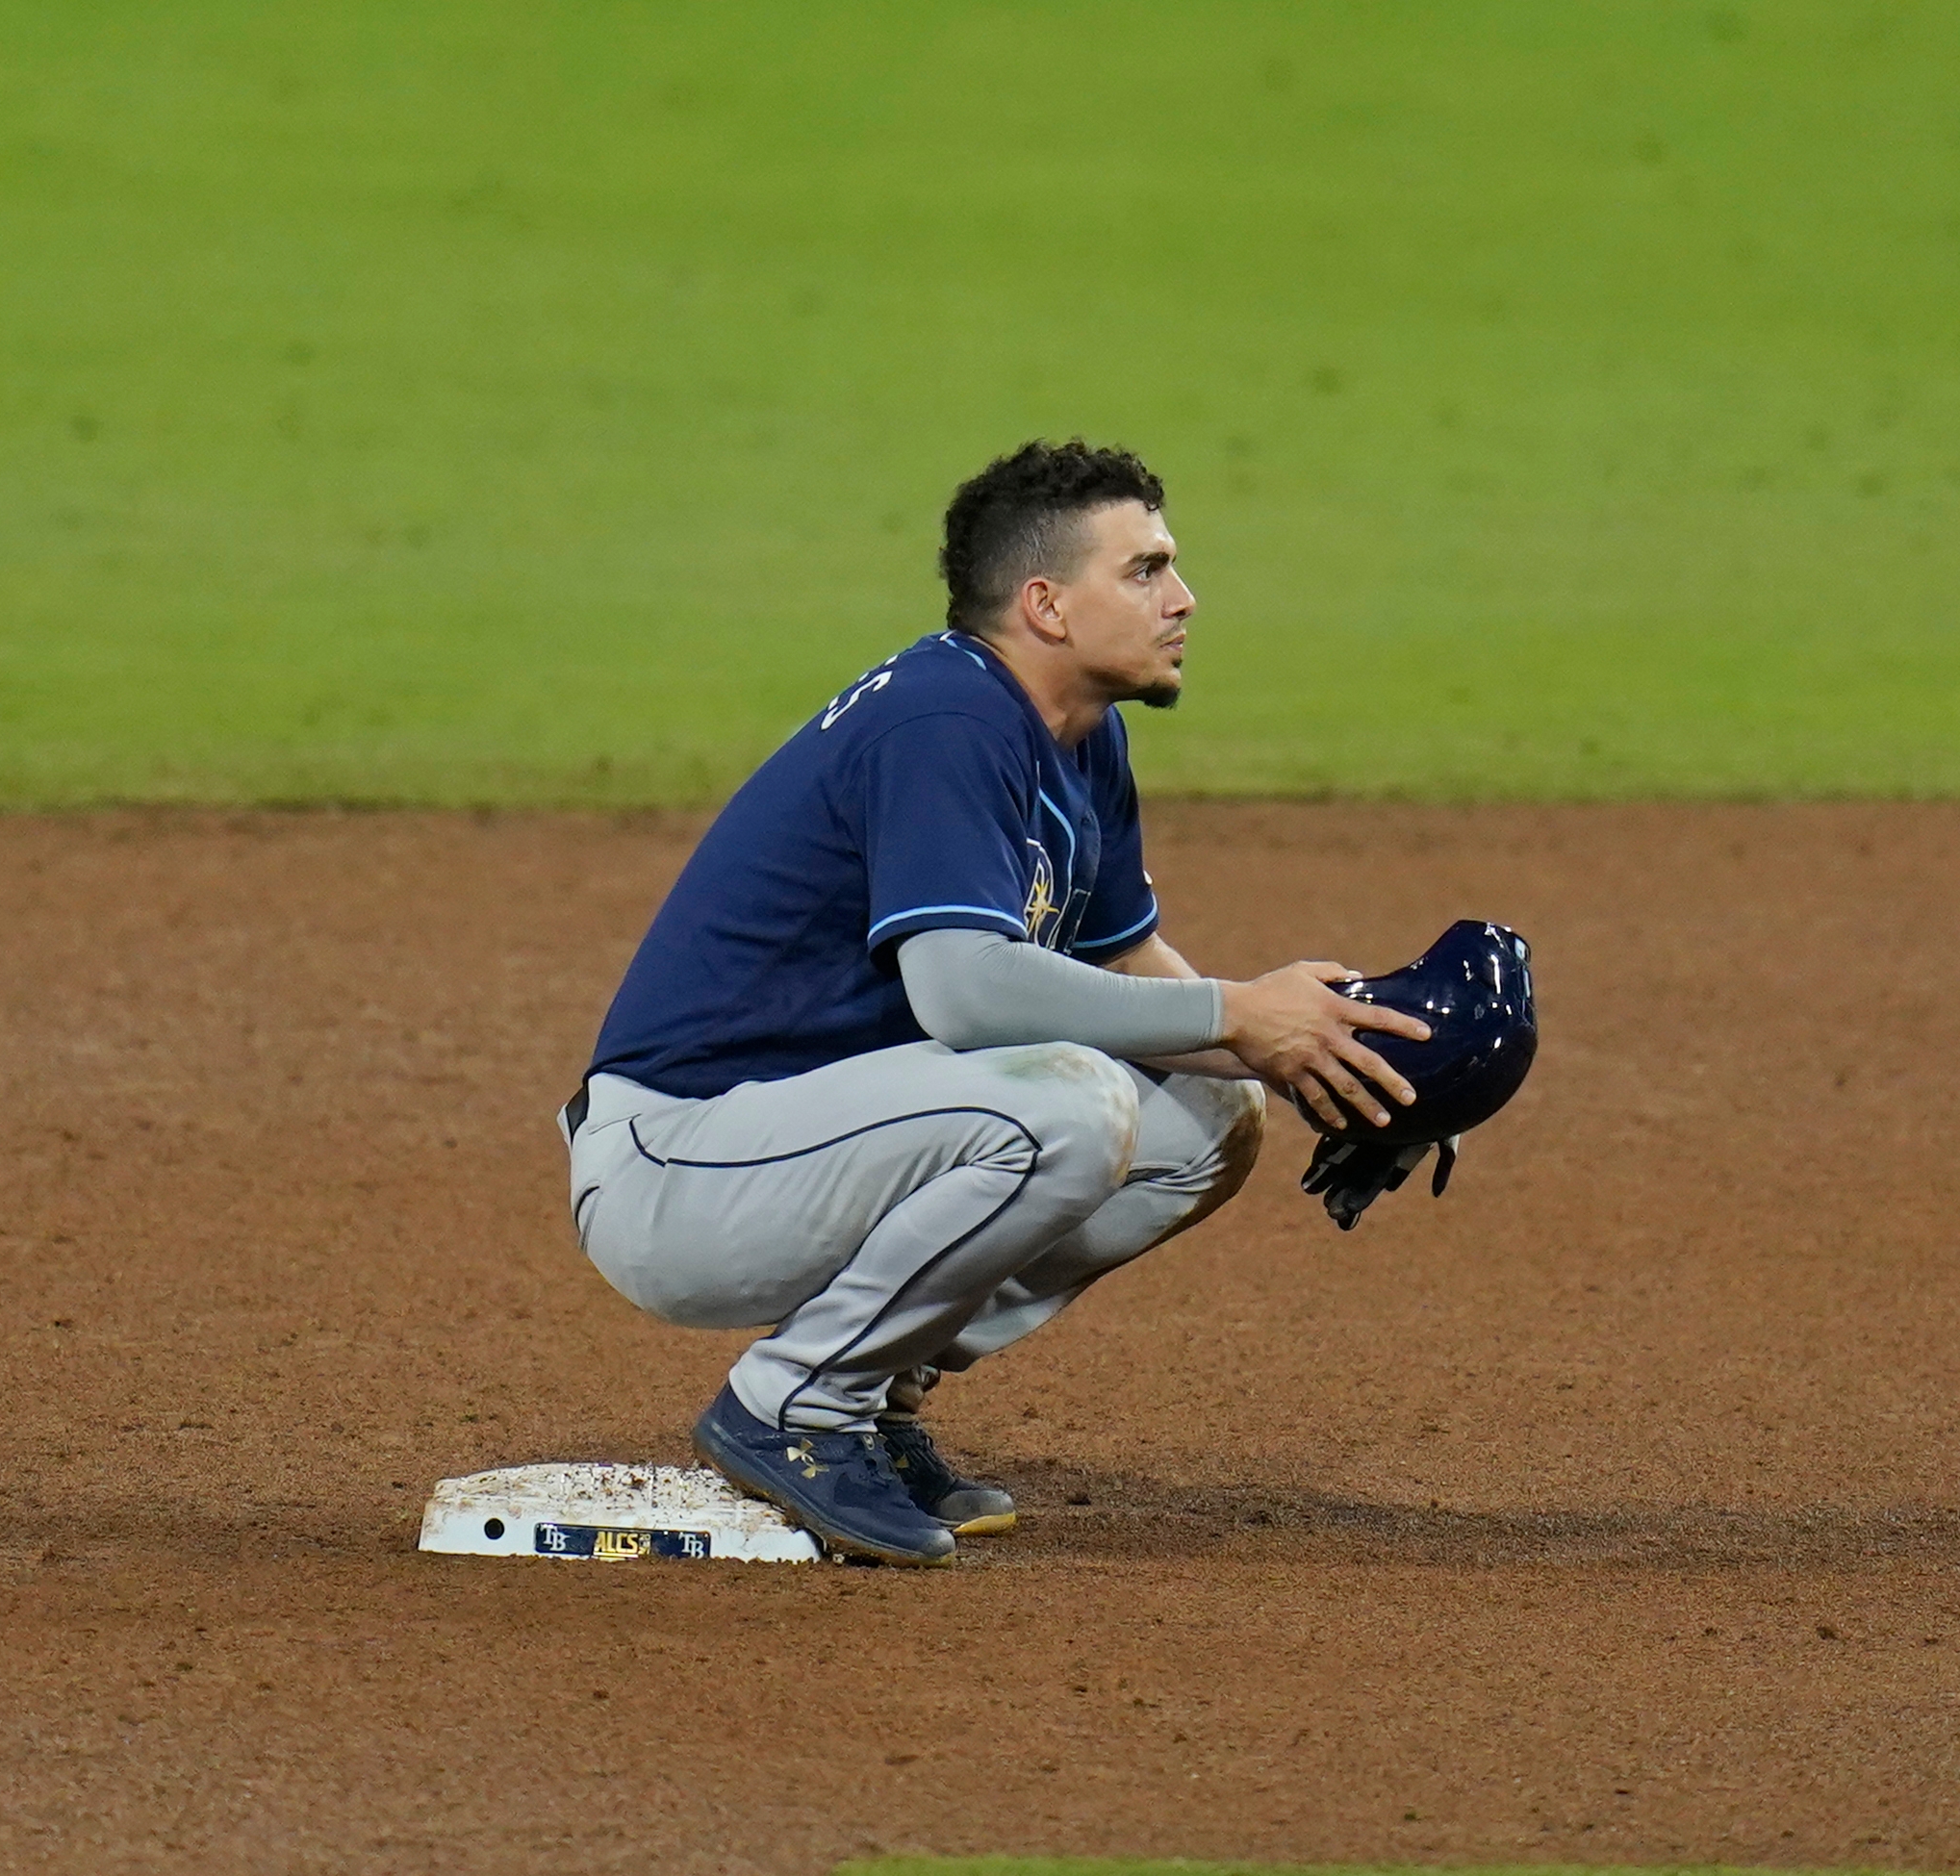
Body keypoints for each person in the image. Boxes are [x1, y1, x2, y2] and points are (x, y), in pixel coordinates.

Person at [559, 441, 1429, 1567]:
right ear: (1046, 605)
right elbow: (963, 990)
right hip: (679, 1167)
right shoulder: (944, 720)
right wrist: (1236, 1014)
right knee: (1065, 1101)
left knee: (1203, 1122)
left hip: (807, 1138)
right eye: (1147, 569)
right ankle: (793, 1405)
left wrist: (1320, 1053)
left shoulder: (1078, 735)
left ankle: (868, 1392)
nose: (1184, 597)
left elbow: (1124, 969)